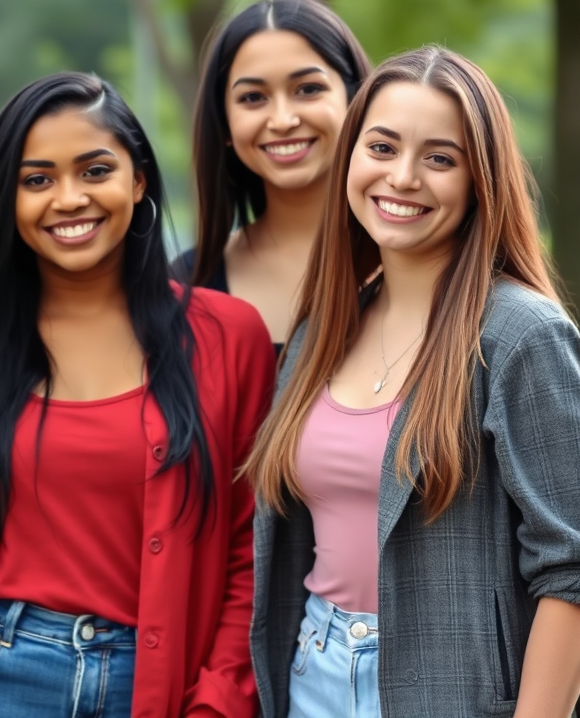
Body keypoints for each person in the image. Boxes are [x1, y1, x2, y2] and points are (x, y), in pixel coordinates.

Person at [0, 72, 276, 718]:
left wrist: (219, 701)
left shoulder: (230, 338)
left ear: (138, 179)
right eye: (37, 180)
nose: (69, 199)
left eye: (95, 171)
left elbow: (250, 548)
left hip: (158, 686)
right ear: (7, 197)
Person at [244, 46, 580, 718]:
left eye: (440, 158)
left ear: (480, 179)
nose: (402, 177)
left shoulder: (520, 336)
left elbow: (571, 570)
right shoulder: (324, 330)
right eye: (383, 146)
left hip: (453, 688)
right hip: (312, 670)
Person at [177, 0, 371, 349]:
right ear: (224, 125)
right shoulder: (181, 291)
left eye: (308, 89)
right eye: (253, 97)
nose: (282, 120)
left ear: (355, 100)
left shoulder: (424, 266)